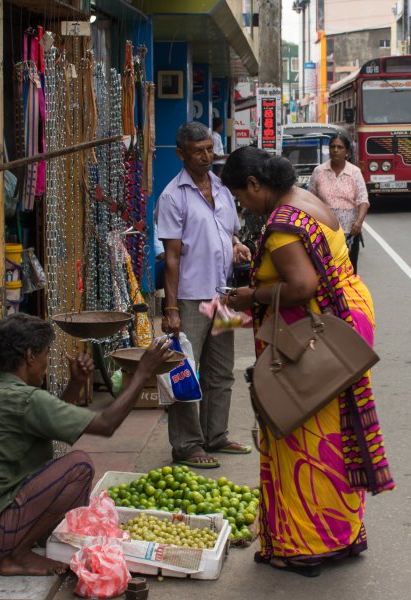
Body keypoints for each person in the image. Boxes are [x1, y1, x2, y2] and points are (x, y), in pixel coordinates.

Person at [221, 146, 395, 577]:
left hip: (317, 332)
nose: (243, 206)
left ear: (257, 185)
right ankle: (343, 536)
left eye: (242, 197)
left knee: (302, 437)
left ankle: (305, 546)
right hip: (347, 316)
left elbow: (301, 285)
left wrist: (251, 296)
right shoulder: (307, 199)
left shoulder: (281, 228)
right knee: (336, 431)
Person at [0, 313, 173, 576]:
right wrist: (143, 371)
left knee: (58, 467)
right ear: (29, 356)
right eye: (46, 354)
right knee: (79, 466)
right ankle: (19, 556)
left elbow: (51, 425)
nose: (47, 363)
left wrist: (76, 383)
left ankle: (27, 544)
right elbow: (107, 424)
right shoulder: (26, 400)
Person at [157, 121, 253, 468]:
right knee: (186, 373)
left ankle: (216, 435)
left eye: (209, 149)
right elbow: (171, 256)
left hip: (223, 297)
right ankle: (187, 444)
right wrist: (170, 308)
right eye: (198, 151)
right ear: (182, 154)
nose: (206, 157)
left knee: (221, 370)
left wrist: (238, 245)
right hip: (189, 298)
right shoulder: (173, 196)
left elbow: (228, 233)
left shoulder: (223, 189)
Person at [308, 133, 369, 274]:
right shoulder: (319, 171)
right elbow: (310, 199)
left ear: (347, 151)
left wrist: (359, 222)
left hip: (349, 232)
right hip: (324, 231)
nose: (335, 150)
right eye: (332, 147)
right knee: (325, 270)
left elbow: (363, 200)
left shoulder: (354, 172)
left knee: (348, 271)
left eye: (340, 147)